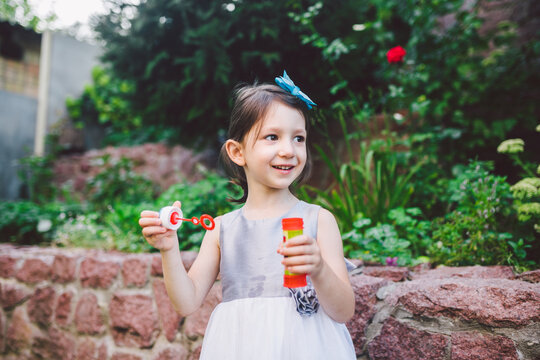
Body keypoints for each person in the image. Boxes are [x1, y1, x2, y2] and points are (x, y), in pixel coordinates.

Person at [139, 71, 356, 359]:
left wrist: (318, 269)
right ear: (237, 152)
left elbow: (343, 311)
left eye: (298, 138)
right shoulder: (221, 229)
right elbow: (187, 302)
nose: (288, 150)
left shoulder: (319, 220)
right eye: (272, 137)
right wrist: (169, 249)